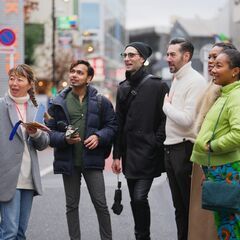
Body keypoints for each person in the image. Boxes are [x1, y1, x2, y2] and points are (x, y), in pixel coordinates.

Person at [46, 60, 117, 240]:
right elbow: (49, 133)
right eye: (72, 71)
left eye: (79, 72)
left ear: (89, 78)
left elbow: (112, 126)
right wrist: (64, 138)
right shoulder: (57, 102)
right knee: (71, 206)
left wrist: (99, 136)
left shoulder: (102, 102)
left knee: (101, 204)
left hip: (92, 160)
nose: (74, 75)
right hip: (68, 161)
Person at [112, 42, 169, 240]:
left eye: (132, 55)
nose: (127, 58)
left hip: (149, 151)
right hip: (129, 153)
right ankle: (141, 235)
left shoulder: (158, 85)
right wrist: (117, 155)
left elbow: (165, 117)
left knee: (139, 196)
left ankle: (142, 236)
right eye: (125, 55)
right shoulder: (123, 88)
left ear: (143, 59)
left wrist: (157, 140)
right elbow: (118, 123)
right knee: (134, 199)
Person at [188, 42, 237, 240]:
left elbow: (238, 133)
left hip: (227, 167)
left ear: (234, 71)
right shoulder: (225, 92)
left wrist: (211, 146)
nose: (212, 68)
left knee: (229, 224)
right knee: (223, 224)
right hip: (216, 167)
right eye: (212, 62)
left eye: (218, 65)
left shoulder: (235, 95)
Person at [163, 38, 206, 240]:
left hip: (184, 149)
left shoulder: (195, 81)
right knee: (179, 208)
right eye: (167, 54)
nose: (167, 58)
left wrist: (166, 107)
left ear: (186, 56)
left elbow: (188, 121)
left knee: (189, 209)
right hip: (171, 149)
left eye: (172, 54)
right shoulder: (178, 78)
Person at [0, 64, 50, 239]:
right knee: (9, 231)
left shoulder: (35, 109)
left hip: (28, 177)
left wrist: (35, 133)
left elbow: (44, 144)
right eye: (12, 79)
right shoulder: (1, 105)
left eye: (19, 79)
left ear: (29, 84)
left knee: (21, 232)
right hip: (7, 176)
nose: (14, 83)